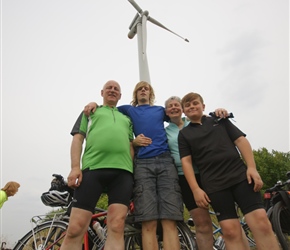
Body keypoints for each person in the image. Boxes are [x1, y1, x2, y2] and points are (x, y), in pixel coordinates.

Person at [84, 81, 183, 250]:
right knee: (148, 220)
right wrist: (93, 104)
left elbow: (179, 115)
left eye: (146, 89)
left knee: (170, 220)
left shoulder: (160, 110)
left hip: (166, 162)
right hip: (143, 165)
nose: (143, 90)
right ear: (135, 94)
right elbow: (108, 108)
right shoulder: (128, 110)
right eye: (139, 89)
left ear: (150, 93)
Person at [178, 92, 279, 250]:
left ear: (203, 106)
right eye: (187, 105)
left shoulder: (220, 120)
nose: (192, 106)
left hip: (240, 176)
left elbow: (240, 140)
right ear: (184, 112)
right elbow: (186, 162)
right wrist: (196, 189)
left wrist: (252, 167)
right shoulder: (184, 134)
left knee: (261, 222)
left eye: (195, 103)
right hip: (215, 185)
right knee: (230, 232)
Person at [61, 80, 134, 250]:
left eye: (116, 89)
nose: (112, 90)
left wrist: (132, 173)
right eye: (109, 88)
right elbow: (78, 139)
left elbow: (131, 145)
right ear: (102, 93)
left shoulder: (126, 119)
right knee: (76, 227)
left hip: (123, 174)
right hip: (92, 170)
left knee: (116, 227)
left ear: (120, 96)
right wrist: (75, 167)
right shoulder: (89, 111)